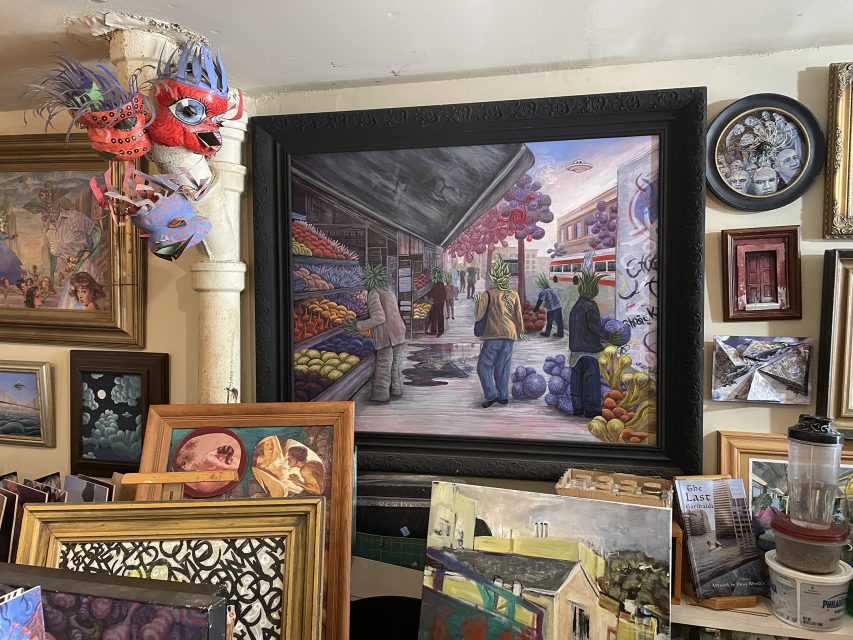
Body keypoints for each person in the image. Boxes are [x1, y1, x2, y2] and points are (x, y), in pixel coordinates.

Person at [345, 264, 406, 402]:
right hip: (399, 332)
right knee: (394, 366)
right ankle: (396, 390)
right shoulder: (388, 290)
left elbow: (379, 318)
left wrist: (358, 325)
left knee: (383, 366)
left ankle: (380, 396)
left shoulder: (374, 293)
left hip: (387, 335)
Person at [474, 257, 525, 408]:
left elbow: (478, 316)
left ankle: (491, 394)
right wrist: (520, 331)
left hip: (493, 335)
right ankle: (503, 395)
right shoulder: (513, 294)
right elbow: (518, 316)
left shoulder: (487, 295)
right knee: (503, 367)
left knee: (483, 366)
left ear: (494, 278)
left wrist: (477, 303)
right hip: (509, 335)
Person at [568, 259, 606, 418]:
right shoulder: (591, 305)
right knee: (591, 380)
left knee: (576, 380)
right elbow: (595, 327)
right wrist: (608, 336)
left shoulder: (576, 306)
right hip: (589, 350)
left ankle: (577, 408)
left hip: (575, 351)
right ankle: (592, 409)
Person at [45, 198, 102, 283]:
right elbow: (53, 255)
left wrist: (88, 251)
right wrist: (52, 277)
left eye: (53, 207)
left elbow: (96, 232)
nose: (51, 212)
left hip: (86, 269)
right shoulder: (49, 230)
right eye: (48, 209)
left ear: (58, 205)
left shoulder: (73, 217)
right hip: (71, 275)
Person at [426, 267, 446, 337]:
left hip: (438, 302)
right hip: (438, 302)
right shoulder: (440, 284)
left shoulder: (437, 284)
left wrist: (430, 295)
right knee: (434, 316)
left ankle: (439, 331)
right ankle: (434, 331)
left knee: (438, 316)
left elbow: (435, 294)